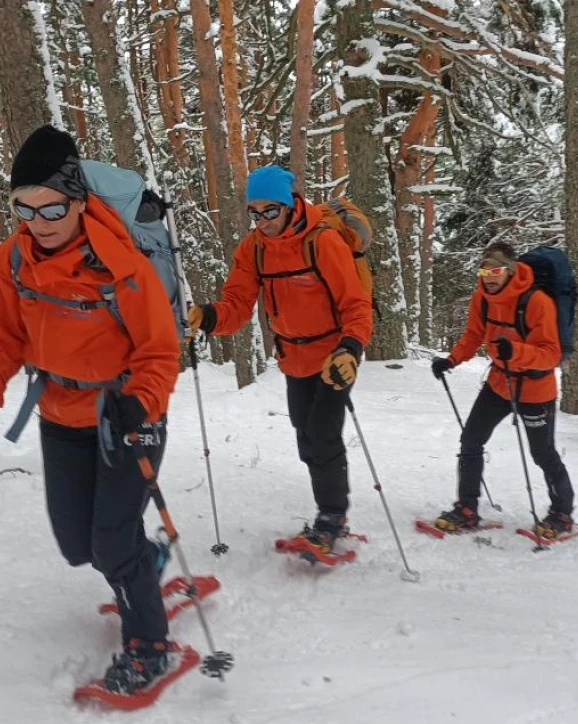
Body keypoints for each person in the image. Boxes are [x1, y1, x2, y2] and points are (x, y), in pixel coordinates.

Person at [0, 126, 180, 693]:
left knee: (110, 543)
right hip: (59, 415)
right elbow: (5, 340)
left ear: (78, 199)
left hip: (126, 416)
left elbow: (160, 350)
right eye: (22, 209)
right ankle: (145, 563)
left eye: (52, 206)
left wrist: (141, 401)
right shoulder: (13, 261)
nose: (39, 221)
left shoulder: (121, 266)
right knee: (78, 546)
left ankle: (150, 646)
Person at [188, 165, 372, 553]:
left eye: (270, 211)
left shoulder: (322, 242)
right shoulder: (253, 249)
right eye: (254, 213)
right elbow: (236, 305)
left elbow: (356, 304)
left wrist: (351, 348)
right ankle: (328, 513)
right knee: (306, 436)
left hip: (335, 356)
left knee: (323, 433)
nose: (262, 221)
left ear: (289, 206)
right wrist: (206, 316)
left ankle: (332, 518)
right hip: (293, 356)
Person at [430, 240, 575, 539]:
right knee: (471, 441)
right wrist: (451, 360)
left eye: (496, 269)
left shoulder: (536, 302)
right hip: (499, 383)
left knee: (542, 453)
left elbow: (551, 353)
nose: (490, 276)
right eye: (484, 270)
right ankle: (467, 508)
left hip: (536, 388)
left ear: (510, 271)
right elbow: (473, 335)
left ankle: (562, 513)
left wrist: (517, 352)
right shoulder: (481, 299)